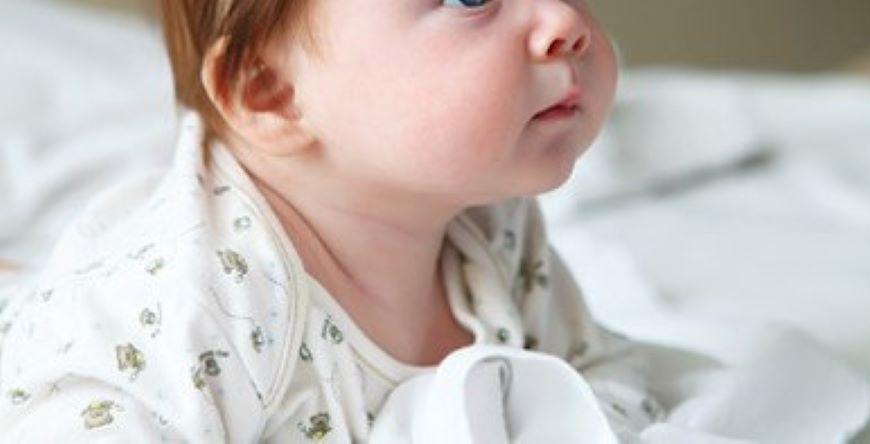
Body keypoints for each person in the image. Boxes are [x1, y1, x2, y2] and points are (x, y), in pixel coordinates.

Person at [0, 0, 664, 441]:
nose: (564, 21)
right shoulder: (197, 306)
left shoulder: (492, 227)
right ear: (272, 92)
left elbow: (603, 376)